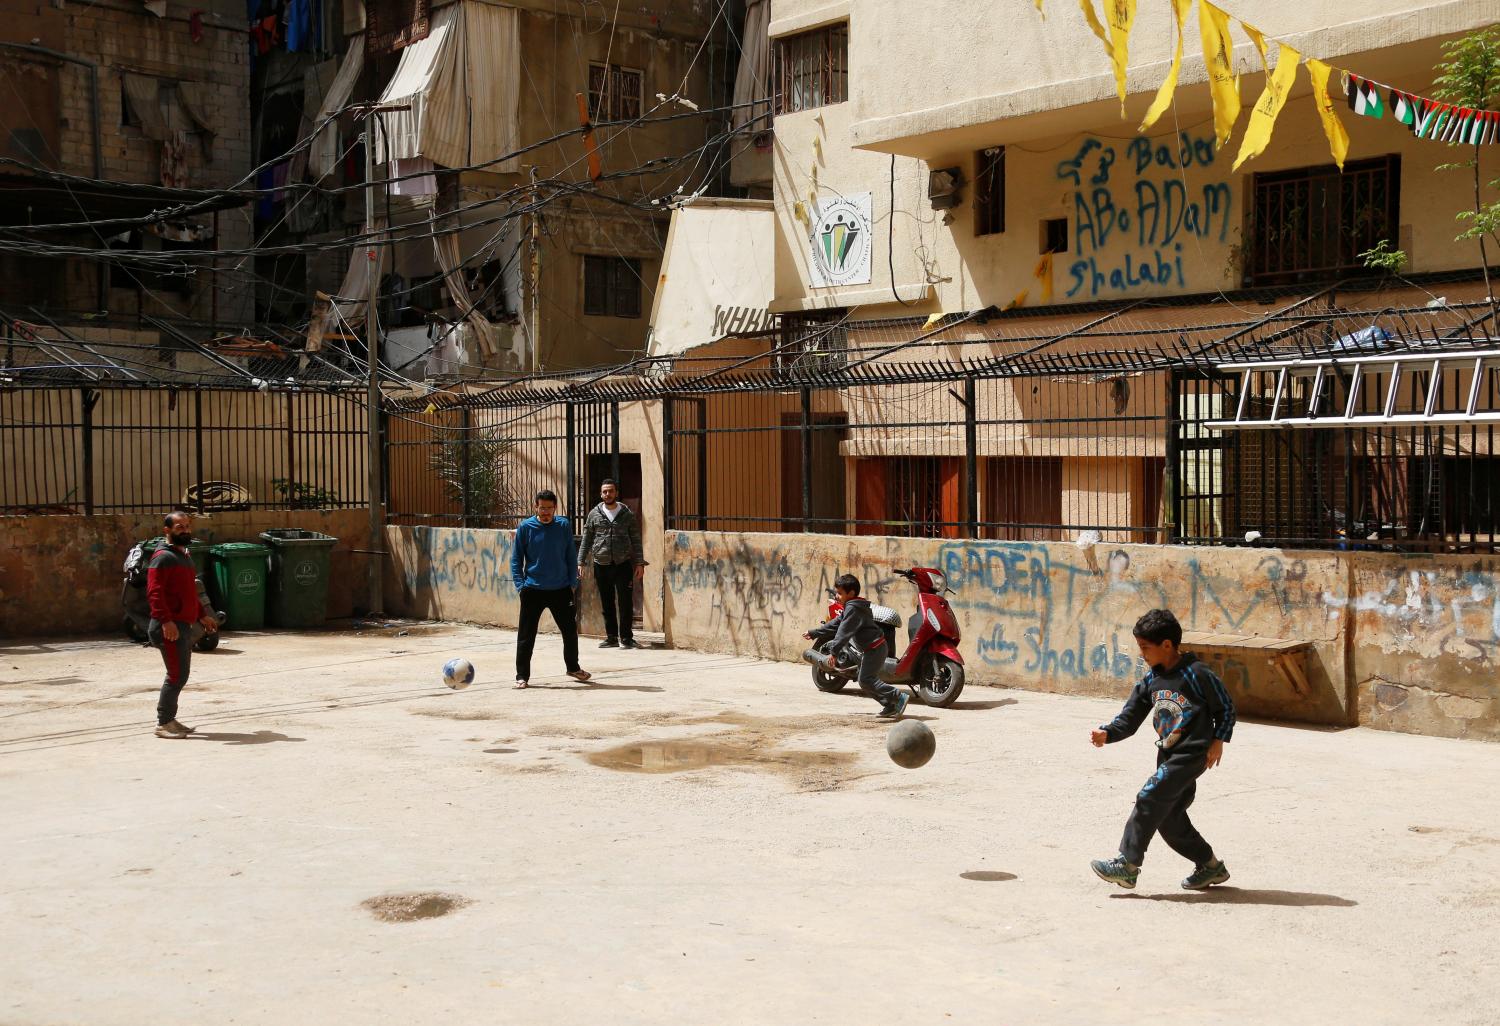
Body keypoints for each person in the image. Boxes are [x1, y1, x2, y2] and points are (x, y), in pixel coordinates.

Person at [1089, 609, 1235, 891]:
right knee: (1169, 819)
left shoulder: (1197, 673)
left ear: (1167, 645)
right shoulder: (1151, 680)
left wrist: (1219, 740)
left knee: (1149, 797)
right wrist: (1108, 733)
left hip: (1192, 754)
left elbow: (1226, 707)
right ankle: (1210, 866)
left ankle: (1127, 865)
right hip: (1168, 755)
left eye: (1145, 647)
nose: (1142, 653)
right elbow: (1130, 717)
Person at [147, 511, 218, 739]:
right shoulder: (163, 557)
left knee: (179, 674)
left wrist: (202, 614)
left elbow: (188, 592)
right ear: (167, 530)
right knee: (176, 675)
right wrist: (166, 621)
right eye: (180, 527)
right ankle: (163, 723)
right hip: (168, 626)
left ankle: (170, 720)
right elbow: (154, 593)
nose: (186, 530)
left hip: (181, 624)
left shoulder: (184, 555)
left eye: (187, 526)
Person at [511, 490, 591, 689]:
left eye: (549, 508)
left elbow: (570, 556)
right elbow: (516, 559)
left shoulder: (563, 525)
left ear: (555, 507)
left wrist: (573, 583)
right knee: (526, 635)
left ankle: (573, 667)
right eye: (542, 507)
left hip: (561, 589)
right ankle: (522, 676)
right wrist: (521, 585)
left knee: (570, 632)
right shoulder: (526, 527)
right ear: (535, 507)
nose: (545, 512)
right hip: (532, 590)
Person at [804, 573, 908, 719]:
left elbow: (843, 631)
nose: (837, 596)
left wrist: (834, 652)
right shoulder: (852, 607)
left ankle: (897, 696)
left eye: (840, 593)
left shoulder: (853, 609)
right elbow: (836, 624)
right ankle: (890, 704)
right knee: (865, 681)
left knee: (865, 680)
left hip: (875, 649)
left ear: (851, 593)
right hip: (873, 648)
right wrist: (814, 632)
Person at [577, 478, 646, 649]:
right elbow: (586, 539)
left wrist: (639, 563)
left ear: (616, 493)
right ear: (601, 494)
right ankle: (611, 637)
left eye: (611, 491)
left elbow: (636, 539)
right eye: (605, 491)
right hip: (601, 564)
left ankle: (627, 638)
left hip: (623, 564)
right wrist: (581, 561)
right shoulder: (594, 514)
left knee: (625, 602)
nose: (608, 494)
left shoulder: (626, 514)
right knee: (607, 602)